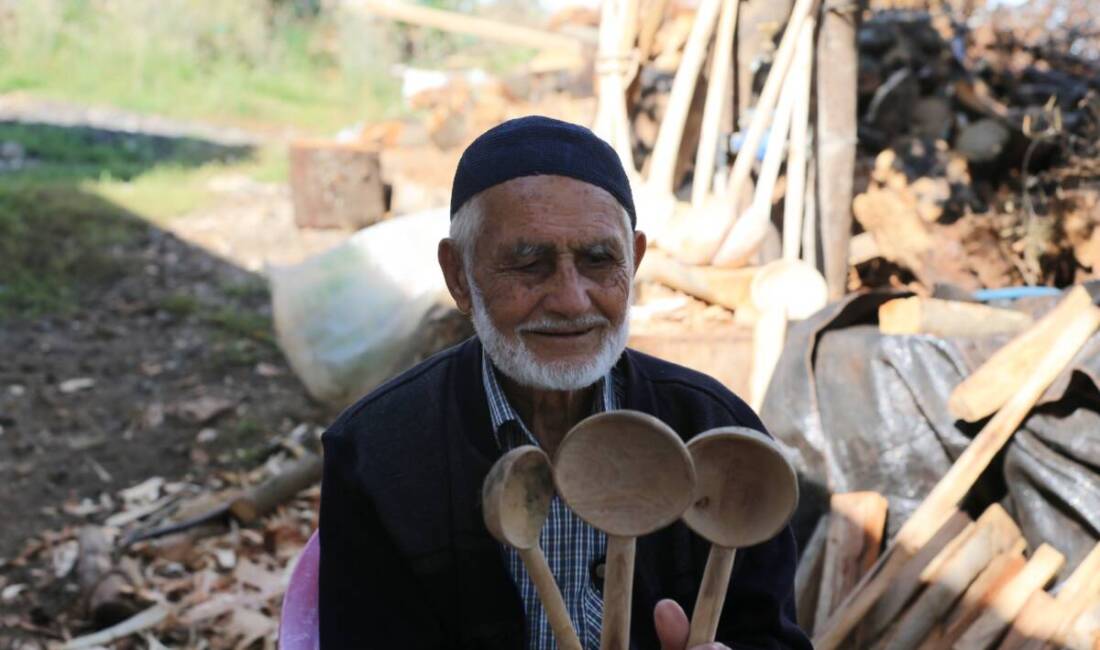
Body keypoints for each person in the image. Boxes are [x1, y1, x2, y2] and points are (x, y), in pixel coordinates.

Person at [318, 115, 811, 650]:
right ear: (459, 276)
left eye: (600, 261)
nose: (572, 300)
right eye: (529, 263)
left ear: (636, 261)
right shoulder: (376, 453)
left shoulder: (717, 433)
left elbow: (771, 636)